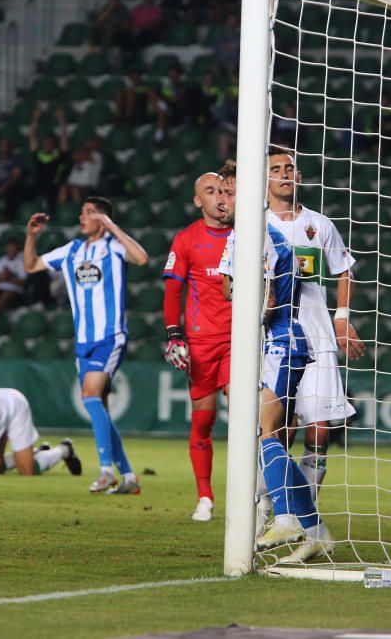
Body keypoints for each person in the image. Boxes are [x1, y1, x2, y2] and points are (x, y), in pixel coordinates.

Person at [219, 218, 334, 564]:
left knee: (266, 432)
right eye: (220, 192)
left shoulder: (266, 239)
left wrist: (248, 306)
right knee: (264, 434)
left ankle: (286, 519)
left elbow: (267, 299)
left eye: (230, 192)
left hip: (281, 342)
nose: (224, 200)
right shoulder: (240, 235)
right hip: (268, 343)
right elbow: (227, 287)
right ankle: (317, 533)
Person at [24, 197, 149, 494]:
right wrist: (31, 236)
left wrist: (113, 227)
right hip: (84, 341)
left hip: (110, 336)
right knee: (99, 407)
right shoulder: (72, 251)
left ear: (104, 218)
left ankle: (106, 471)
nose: (83, 217)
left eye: (90, 213)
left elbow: (141, 258)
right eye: (82, 212)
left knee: (90, 394)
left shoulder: (115, 247)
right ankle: (129, 476)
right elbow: (31, 266)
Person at [264, 147, 363, 507]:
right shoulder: (257, 225)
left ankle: (306, 515)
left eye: (290, 167)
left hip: (317, 336)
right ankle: (268, 508)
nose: (285, 173)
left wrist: (341, 319)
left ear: (299, 177)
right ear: (266, 179)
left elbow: (344, 271)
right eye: (276, 168)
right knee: (278, 427)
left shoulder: (319, 224)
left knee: (319, 427)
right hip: (273, 337)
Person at [162, 168, 235, 521]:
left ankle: (254, 495)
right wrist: (174, 333)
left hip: (241, 339)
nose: (220, 197)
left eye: (224, 190)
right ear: (197, 201)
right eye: (210, 191)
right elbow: (173, 290)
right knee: (203, 422)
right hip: (202, 341)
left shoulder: (247, 234)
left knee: (245, 418)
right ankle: (204, 496)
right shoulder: (187, 239)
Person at [29, 107, 72, 213]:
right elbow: (32, 136)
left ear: (54, 144)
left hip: (53, 187)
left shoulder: (58, 155)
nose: (47, 144)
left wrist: (61, 119)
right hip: (37, 186)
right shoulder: (38, 154)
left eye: (50, 142)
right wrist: (35, 118)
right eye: (45, 142)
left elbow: (64, 138)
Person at [0, 238, 26, 316]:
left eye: (14, 248)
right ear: (6, 248)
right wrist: (1, 278)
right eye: (10, 247)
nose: (12, 250)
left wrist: (8, 278)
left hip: (14, 291)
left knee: (6, 294)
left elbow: (22, 282)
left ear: (17, 249)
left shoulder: (21, 263)